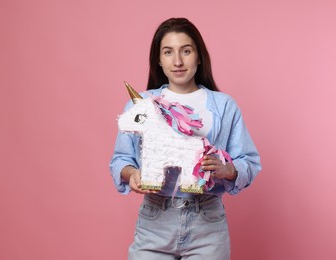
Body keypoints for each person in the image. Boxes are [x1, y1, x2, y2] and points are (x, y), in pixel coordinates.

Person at [110, 17, 261, 259]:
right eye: (168, 52)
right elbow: (121, 160)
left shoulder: (224, 106)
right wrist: (132, 174)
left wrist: (227, 169)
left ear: (199, 57)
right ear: (158, 60)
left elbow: (249, 163)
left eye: (186, 51)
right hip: (155, 222)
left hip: (207, 223)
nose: (178, 61)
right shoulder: (142, 105)